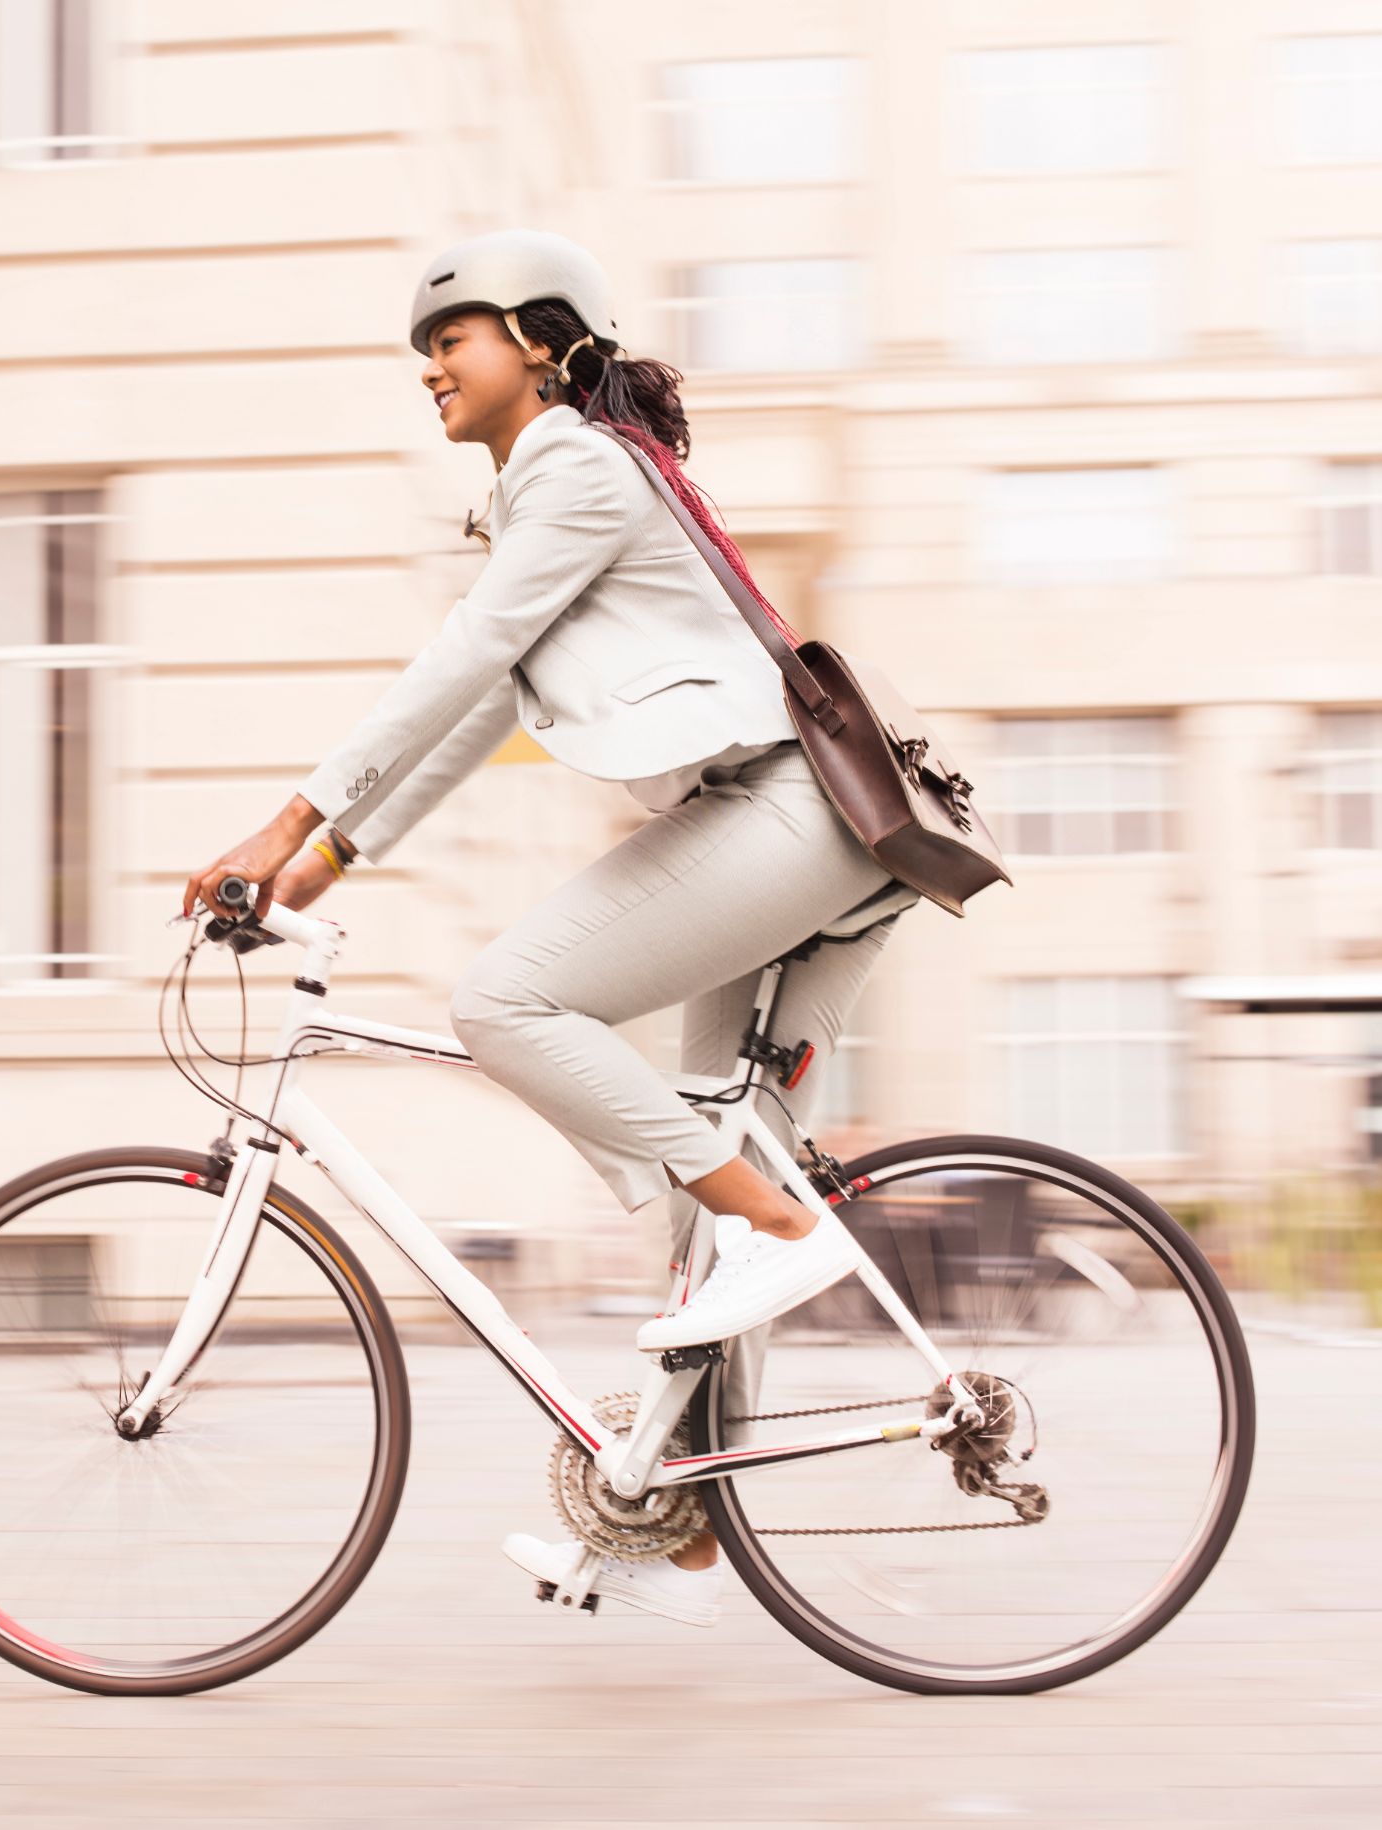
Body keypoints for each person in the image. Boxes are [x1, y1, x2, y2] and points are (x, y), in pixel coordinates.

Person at [180, 230, 919, 1628]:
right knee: (704, 1140)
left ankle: (774, 1224)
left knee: (506, 1001)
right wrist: (331, 855)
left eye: (445, 343)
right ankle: (682, 1516)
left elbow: (458, 652)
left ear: (532, 337)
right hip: (795, 831)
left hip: (781, 817)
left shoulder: (576, 465)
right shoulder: (564, 487)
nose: (428, 374)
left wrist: (278, 825)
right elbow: (486, 700)